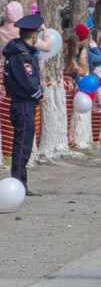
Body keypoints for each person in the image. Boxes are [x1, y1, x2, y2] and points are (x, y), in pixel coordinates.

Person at [3, 12, 45, 195]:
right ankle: (19, 182)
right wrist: (39, 93)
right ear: (34, 35)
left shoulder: (22, 52)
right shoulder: (21, 55)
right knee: (22, 145)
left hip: (23, 102)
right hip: (23, 102)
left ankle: (21, 181)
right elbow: (28, 81)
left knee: (24, 143)